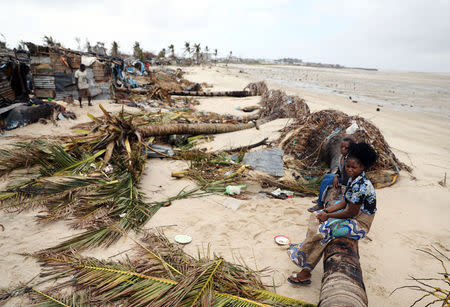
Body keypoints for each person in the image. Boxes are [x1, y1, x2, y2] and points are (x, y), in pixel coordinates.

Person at [287, 142, 378, 285]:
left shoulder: (362, 185)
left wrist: (328, 216)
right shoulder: (354, 179)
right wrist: (325, 211)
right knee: (315, 217)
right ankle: (303, 251)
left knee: (325, 230)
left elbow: (350, 212)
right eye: (348, 166)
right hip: (352, 216)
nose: (349, 169)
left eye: (353, 167)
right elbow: (344, 202)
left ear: (362, 167)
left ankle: (305, 273)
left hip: (359, 224)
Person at [308, 137, 354, 212]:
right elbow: (340, 170)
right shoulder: (341, 157)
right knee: (326, 176)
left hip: (348, 181)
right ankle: (321, 197)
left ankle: (320, 204)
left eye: (346, 148)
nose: (343, 149)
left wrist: (344, 187)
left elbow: (348, 175)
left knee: (326, 182)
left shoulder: (350, 159)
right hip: (342, 177)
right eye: (342, 147)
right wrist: (336, 176)